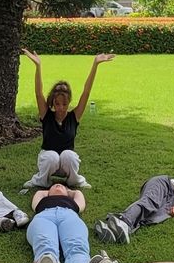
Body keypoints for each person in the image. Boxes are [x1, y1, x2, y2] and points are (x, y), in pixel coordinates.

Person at [20, 49, 114, 189]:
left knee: (68, 155)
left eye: (64, 104)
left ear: (69, 102)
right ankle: (40, 181)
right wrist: (38, 66)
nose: (61, 108)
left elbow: (86, 92)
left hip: (66, 163)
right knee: (51, 156)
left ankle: (74, 181)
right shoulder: (46, 115)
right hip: (49, 160)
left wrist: (95, 64)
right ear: (52, 103)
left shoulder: (74, 116)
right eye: (57, 104)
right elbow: (38, 93)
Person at [26, 182, 116, 263]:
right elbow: (38, 193)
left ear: (68, 193)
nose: (58, 186)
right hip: (43, 216)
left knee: (76, 244)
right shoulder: (41, 202)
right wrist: (51, 191)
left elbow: (78, 194)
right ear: (47, 192)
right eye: (54, 186)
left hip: (69, 215)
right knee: (44, 244)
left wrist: (69, 192)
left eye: (62, 186)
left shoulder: (73, 204)